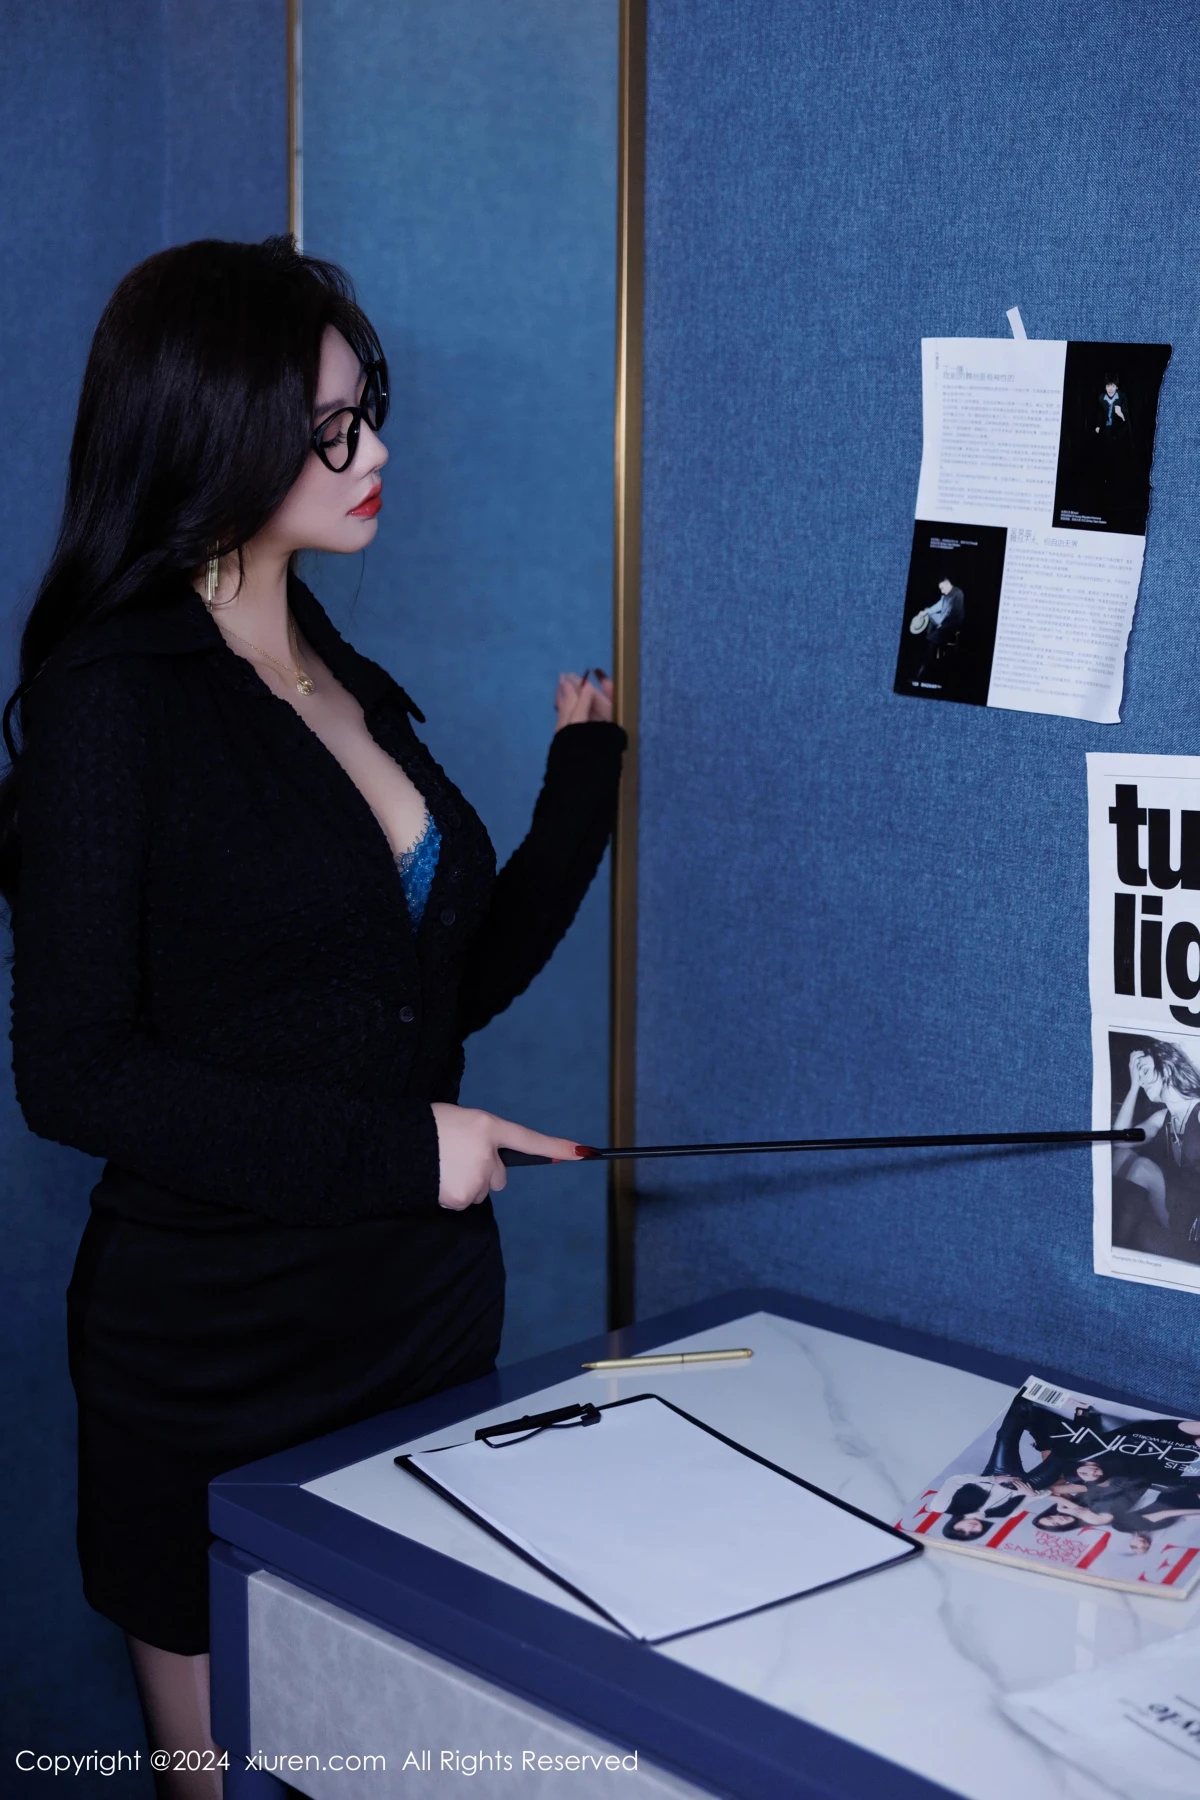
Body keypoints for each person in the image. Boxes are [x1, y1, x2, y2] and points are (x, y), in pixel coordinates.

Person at [2, 238, 626, 1798]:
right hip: (214, 1340)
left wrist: (580, 790)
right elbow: (74, 1075)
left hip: (417, 1310)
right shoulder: (109, 697)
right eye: (328, 428)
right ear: (207, 430)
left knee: (405, 1756)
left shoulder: (337, 666)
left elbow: (433, 996)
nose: (374, 454)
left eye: (370, 411)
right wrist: (401, 1152)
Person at [1112, 1041, 1200, 1258]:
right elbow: (1119, 1140)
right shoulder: (1164, 1118)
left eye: (1143, 1071)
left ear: (1167, 1067)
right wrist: (1134, 1086)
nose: (1141, 1080)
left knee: (1143, 1168)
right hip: (1180, 1207)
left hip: (1195, 1219)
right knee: (1122, 1157)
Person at [911, 577, 964, 684]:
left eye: (942, 588)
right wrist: (926, 612)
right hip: (943, 622)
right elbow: (938, 606)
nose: (941, 591)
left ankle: (925, 669)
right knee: (927, 612)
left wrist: (943, 624)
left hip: (952, 624)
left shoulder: (958, 593)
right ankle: (929, 638)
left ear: (948, 584)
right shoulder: (945, 595)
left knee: (934, 640)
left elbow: (957, 614)